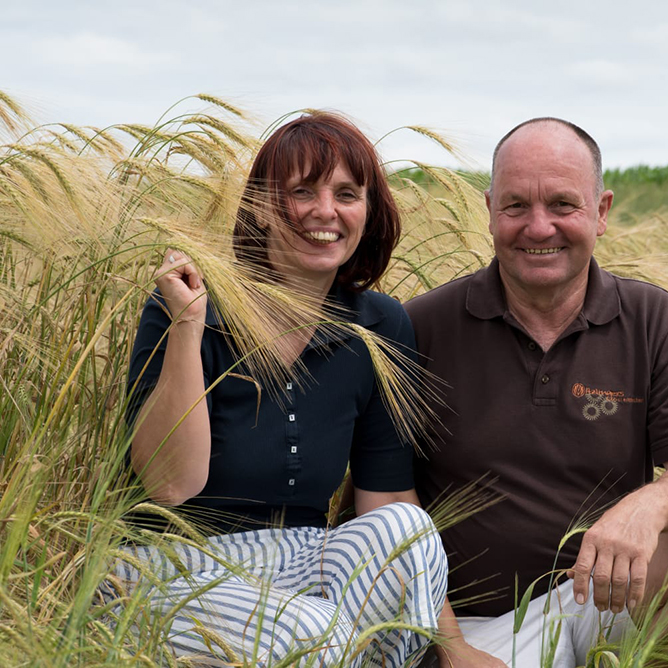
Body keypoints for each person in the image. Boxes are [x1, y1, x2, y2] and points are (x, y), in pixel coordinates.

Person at [405, 118, 668, 666]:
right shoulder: (420, 328)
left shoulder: (653, 320)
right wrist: (450, 648)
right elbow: (382, 506)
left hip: (603, 598)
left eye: (563, 205)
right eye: (516, 206)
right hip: (471, 628)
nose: (538, 227)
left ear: (601, 211)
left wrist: (647, 506)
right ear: (489, 209)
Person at [115, 113, 448, 667]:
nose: (326, 211)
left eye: (347, 193)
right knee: (314, 633)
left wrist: (455, 648)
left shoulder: (378, 324)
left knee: (406, 532)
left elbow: (384, 497)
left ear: (368, 211)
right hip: (171, 563)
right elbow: (170, 485)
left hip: (301, 557)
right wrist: (188, 326)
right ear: (264, 209)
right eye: (302, 192)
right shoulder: (189, 305)